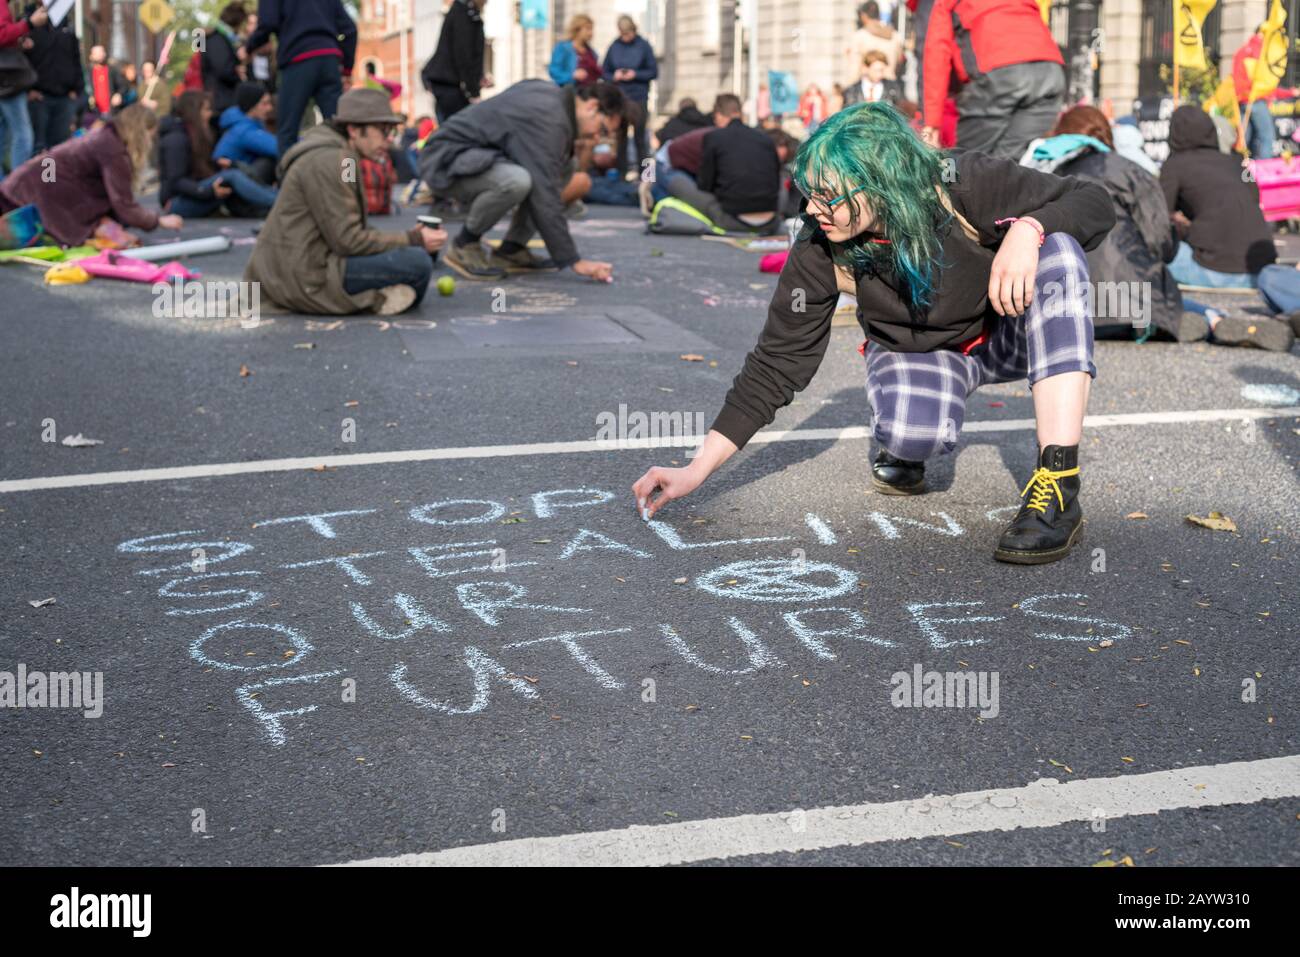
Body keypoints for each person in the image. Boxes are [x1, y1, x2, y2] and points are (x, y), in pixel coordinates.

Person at [633, 102, 1116, 566]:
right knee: (912, 436)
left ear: (882, 184)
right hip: (926, 350)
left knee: (1059, 251)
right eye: (808, 191)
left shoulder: (959, 180)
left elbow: (1093, 200)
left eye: (829, 195)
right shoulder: (819, 242)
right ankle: (910, 425)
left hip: (1007, 330)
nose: (813, 207)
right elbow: (776, 362)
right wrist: (695, 469)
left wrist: (1028, 228)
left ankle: (1057, 483)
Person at [245, 87, 443, 316]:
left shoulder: (344, 157)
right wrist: (412, 238)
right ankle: (373, 298)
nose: (388, 140)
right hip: (303, 274)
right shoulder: (335, 160)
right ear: (354, 130)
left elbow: (349, 219)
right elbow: (348, 241)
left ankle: (380, 291)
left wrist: (408, 240)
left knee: (417, 256)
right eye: (382, 130)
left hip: (302, 262)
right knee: (418, 265)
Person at [418, 79, 622, 282]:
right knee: (517, 181)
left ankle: (511, 250)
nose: (597, 137)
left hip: (473, 156)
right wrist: (572, 260)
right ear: (592, 107)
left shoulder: (552, 99)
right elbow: (544, 192)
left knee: (564, 166)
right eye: (603, 129)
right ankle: (464, 244)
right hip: (445, 160)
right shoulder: (550, 117)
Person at [1023, 106, 1191, 343]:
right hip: (1134, 306)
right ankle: (1212, 318)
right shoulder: (1130, 169)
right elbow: (1160, 241)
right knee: (1178, 300)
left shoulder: (1045, 171)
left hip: (1063, 307)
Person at [1160, 105, 1293, 351]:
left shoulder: (1175, 164)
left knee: (1159, 257)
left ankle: (1209, 316)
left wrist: (1183, 224)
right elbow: (1253, 195)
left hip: (1214, 268)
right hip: (1261, 271)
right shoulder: (1238, 162)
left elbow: (1159, 217)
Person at [0, 104, 183, 245]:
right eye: (150, 135)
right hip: (33, 188)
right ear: (141, 132)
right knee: (16, 233)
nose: (151, 142)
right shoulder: (112, 149)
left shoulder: (106, 137)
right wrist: (158, 220)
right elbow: (123, 205)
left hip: (30, 181)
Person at [921, 0, 1066, 160]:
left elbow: (937, 55)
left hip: (999, 71)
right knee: (1009, 164)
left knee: (965, 165)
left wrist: (932, 123)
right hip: (1050, 72)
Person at [247, 0, 356, 157]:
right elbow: (350, 30)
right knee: (339, 132)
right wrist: (346, 69)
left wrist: (248, 46)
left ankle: (288, 180)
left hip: (297, 59)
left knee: (287, 132)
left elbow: (268, 23)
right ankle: (348, 179)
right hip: (329, 59)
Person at [664, 93, 783, 234]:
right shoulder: (765, 139)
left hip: (731, 219)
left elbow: (705, 184)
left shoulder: (713, 137)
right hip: (770, 221)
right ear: (739, 113)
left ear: (719, 115)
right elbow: (776, 179)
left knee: (671, 176)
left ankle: (654, 203)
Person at [159, 90, 278, 219]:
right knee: (232, 176)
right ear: (194, 112)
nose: (210, 114)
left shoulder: (194, 136)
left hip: (196, 192)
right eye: (206, 110)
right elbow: (176, 181)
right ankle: (280, 202)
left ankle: (273, 202)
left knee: (234, 173)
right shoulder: (177, 140)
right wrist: (207, 191)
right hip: (176, 203)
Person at [602, 15, 657, 179]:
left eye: (628, 33)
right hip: (620, 98)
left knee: (642, 138)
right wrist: (615, 76)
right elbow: (604, 72)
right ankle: (621, 176)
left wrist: (635, 74)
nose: (625, 37)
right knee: (621, 139)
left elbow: (653, 72)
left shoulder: (644, 46)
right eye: (622, 34)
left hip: (639, 97)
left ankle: (648, 177)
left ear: (634, 30)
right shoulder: (614, 46)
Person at [24, 4, 81, 153]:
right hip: (39, 96)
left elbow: (76, 60)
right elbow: (22, 60)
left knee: (59, 148)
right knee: (39, 146)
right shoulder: (28, 24)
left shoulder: (66, 27)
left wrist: (76, 89)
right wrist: (28, 90)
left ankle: (52, 177)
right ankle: (43, 177)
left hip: (64, 96)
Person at [0, 1, 47, 180]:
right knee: (23, 135)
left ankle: (6, 192)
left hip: (8, 81)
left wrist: (17, 40)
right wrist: (28, 24)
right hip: (8, 81)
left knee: (4, 135)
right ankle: (15, 189)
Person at [422, 0, 486, 123]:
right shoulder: (464, 14)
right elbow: (463, 54)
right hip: (452, 90)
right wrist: (473, 92)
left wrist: (478, 77)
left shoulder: (465, 12)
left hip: (450, 87)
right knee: (456, 133)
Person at [214, 80, 278, 183]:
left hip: (240, 180)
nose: (270, 108)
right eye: (265, 103)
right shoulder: (243, 130)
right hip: (236, 189)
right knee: (270, 161)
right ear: (252, 105)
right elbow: (280, 147)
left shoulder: (244, 124)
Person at [202, 2, 248, 123]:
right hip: (220, 101)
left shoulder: (217, 37)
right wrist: (237, 74)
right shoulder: (218, 39)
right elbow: (223, 69)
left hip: (219, 99)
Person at [846, 2, 904, 82]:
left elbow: (854, 68)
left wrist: (850, 89)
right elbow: (899, 63)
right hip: (890, 86)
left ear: (863, 16)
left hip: (868, 87)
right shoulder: (895, 36)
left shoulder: (859, 37)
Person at [548, 14, 601, 88]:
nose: (591, 33)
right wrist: (572, 75)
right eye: (588, 29)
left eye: (591, 29)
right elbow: (554, 71)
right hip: (571, 93)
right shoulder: (563, 48)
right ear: (577, 29)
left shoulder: (591, 52)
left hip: (590, 93)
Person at [86, 45, 127, 119]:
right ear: (91, 56)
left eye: (101, 52)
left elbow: (123, 86)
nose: (100, 55)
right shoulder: (88, 72)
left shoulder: (112, 70)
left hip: (112, 111)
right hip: (94, 112)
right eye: (96, 53)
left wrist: (119, 94)